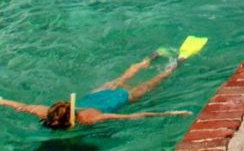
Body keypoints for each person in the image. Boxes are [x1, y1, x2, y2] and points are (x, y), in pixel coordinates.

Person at [0, 50, 192, 130]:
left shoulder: (90, 118)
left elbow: (132, 116)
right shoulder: (47, 112)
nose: (50, 122)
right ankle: (149, 58)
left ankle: (179, 61)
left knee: (154, 81)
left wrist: (169, 113)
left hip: (122, 96)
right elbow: (22, 106)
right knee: (123, 77)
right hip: (98, 93)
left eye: (54, 120)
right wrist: (2, 101)